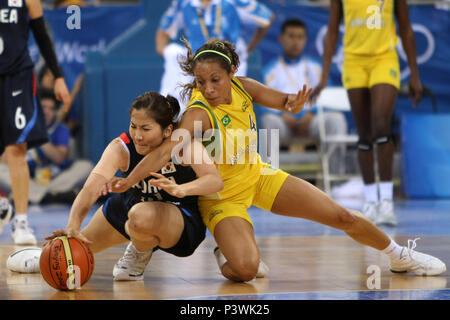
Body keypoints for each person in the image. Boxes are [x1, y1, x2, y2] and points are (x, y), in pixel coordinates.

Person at [107, 39, 445, 282]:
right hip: (223, 198)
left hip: (260, 176)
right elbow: (165, 151)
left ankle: (399, 256)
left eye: (215, 80)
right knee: (245, 271)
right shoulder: (198, 114)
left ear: (232, 72)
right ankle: (226, 250)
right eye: (200, 82)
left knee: (341, 215)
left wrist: (293, 104)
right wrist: (129, 179)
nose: (208, 88)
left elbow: (283, 101)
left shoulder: (245, 87)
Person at [7, 91, 224, 280]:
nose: (138, 136)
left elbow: (214, 180)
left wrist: (182, 189)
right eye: (133, 126)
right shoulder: (122, 148)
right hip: (131, 208)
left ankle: (140, 252)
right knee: (77, 250)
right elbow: (91, 188)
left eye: (146, 129)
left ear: (167, 130)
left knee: (141, 216)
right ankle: (42, 258)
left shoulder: (184, 147)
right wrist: (73, 224)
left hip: (182, 219)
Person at [309, 0, 423, 226]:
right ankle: (371, 201)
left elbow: (407, 29)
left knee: (381, 126)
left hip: (384, 58)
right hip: (354, 61)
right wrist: (323, 77)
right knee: (364, 133)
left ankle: (387, 202)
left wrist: (415, 76)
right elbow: (332, 32)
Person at [0, 0, 71, 244]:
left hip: (17, 77)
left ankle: (20, 221)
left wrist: (59, 76)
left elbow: (41, 35)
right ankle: (3, 205)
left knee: (16, 148)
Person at [261, 18, 348, 176]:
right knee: (269, 121)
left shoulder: (316, 68)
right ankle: (267, 179)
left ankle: (337, 179)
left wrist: (311, 113)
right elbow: (263, 100)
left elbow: (326, 96)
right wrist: (282, 113)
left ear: (306, 40)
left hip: (312, 122)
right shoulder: (270, 70)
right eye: (291, 36)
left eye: (300, 37)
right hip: (285, 123)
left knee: (335, 119)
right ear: (281, 39)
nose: (296, 41)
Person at [157, 0, 273, 112]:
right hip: (197, 62)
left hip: (228, 62)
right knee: (173, 54)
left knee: (229, 108)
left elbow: (267, 18)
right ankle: (172, 121)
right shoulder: (183, 2)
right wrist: (168, 55)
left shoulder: (235, 1)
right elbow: (163, 30)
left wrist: (248, 49)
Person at [0, 88, 93, 205]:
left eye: (51, 108)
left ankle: (37, 196)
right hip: (30, 181)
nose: (47, 111)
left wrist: (38, 135)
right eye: (44, 107)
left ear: (55, 112)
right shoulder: (23, 128)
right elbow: (3, 162)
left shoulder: (61, 129)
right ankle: (52, 196)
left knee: (86, 166)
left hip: (57, 179)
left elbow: (59, 158)